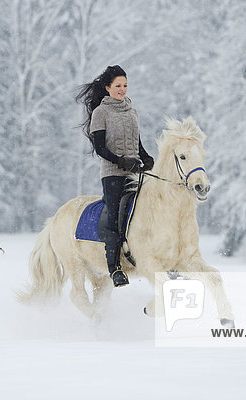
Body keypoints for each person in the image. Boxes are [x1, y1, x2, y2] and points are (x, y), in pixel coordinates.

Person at [76, 65, 154, 287]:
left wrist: (146, 158)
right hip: (112, 174)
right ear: (108, 87)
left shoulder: (132, 111)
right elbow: (100, 148)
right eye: (118, 86)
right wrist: (121, 161)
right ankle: (115, 267)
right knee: (114, 215)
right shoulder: (101, 113)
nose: (122, 90)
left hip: (134, 172)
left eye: (125, 85)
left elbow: (136, 144)